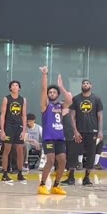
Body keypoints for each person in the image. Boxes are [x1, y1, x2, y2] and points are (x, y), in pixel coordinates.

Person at [37, 66, 72, 195]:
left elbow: (70, 100)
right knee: (50, 160)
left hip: (60, 137)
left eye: (54, 92)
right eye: (50, 92)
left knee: (63, 161)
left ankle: (56, 185)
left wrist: (61, 87)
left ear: (57, 94)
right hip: (49, 137)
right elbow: (43, 89)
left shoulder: (61, 105)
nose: (51, 93)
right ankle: (42, 185)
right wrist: (45, 75)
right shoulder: (45, 106)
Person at [62, 79, 103, 186]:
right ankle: (71, 177)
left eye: (87, 83)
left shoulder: (96, 99)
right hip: (79, 132)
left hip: (92, 131)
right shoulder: (76, 99)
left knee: (90, 154)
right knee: (73, 153)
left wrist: (100, 131)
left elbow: (100, 116)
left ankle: (87, 178)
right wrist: (75, 131)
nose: (85, 85)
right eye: (83, 83)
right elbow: (72, 116)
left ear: (91, 85)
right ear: (81, 86)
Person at [0, 80, 27, 183]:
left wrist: (24, 130)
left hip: (18, 126)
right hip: (9, 126)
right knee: (7, 150)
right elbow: (2, 115)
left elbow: (24, 115)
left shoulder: (23, 100)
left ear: (19, 88)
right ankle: (5, 173)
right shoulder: (6, 99)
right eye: (13, 85)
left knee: (20, 150)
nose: (15, 87)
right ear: (10, 88)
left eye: (16, 85)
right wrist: (2, 130)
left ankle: (20, 173)